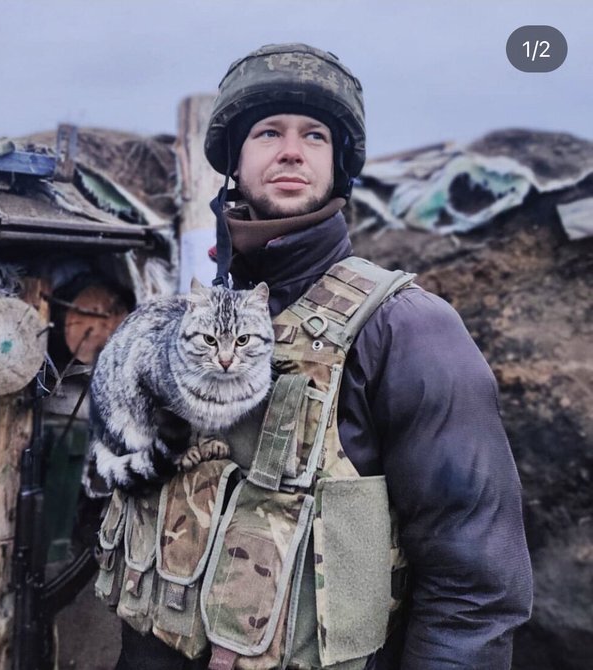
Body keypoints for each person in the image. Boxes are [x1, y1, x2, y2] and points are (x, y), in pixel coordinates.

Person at [114, 43, 532, 670]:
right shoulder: (184, 328)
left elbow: (475, 590)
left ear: (339, 166)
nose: (290, 150)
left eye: (315, 135)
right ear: (234, 161)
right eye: (267, 132)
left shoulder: (409, 329)